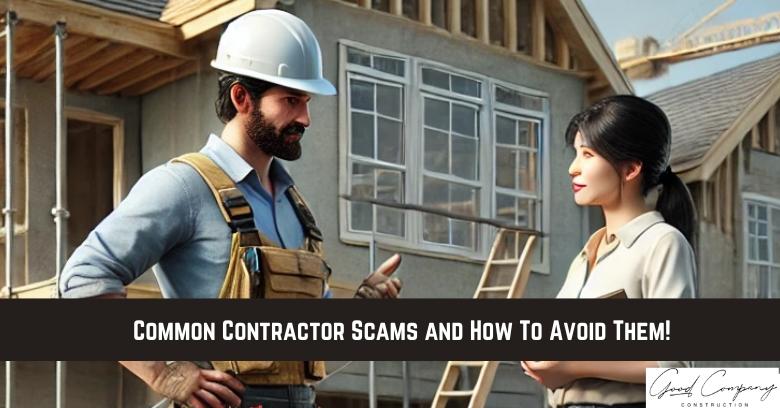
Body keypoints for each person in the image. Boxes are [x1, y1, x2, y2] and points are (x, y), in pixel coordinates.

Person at [59, 9, 402, 408]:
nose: (305, 118)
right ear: (242, 97)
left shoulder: (296, 207)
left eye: (306, 102)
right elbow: (81, 282)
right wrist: (162, 370)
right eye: (291, 100)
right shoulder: (182, 187)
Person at [521, 95, 697, 408]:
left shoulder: (662, 243)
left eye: (587, 155)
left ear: (630, 169)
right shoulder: (585, 256)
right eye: (576, 154)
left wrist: (572, 366)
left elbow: (677, 369)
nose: (573, 169)